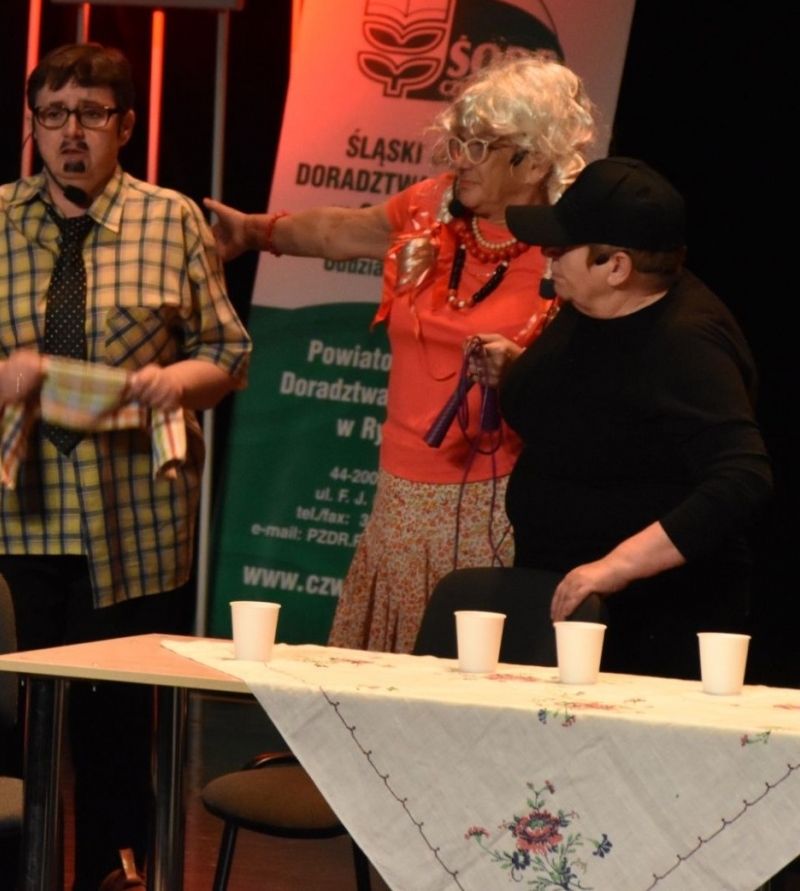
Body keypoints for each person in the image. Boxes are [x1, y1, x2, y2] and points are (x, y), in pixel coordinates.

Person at [0, 42, 251, 890]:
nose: (71, 134)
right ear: (33, 125)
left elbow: (226, 354)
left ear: (125, 126)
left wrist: (178, 382)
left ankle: (113, 877)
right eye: (53, 116)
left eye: (91, 115)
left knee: (116, 744)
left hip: (131, 528)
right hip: (8, 524)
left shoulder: (170, 222)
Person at [207, 55, 596, 654]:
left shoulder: (570, 248)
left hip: (498, 505)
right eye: (457, 141)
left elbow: (597, 385)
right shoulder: (429, 208)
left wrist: (524, 373)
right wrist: (255, 232)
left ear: (535, 160)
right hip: (398, 500)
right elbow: (341, 231)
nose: (460, 158)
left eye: (480, 146)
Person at [481, 157, 771, 678]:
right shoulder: (590, 306)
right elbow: (607, 403)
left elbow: (742, 478)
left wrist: (616, 566)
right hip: (559, 593)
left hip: (648, 622)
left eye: (563, 247)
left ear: (616, 267)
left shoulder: (687, 343)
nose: (547, 253)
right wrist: (519, 371)